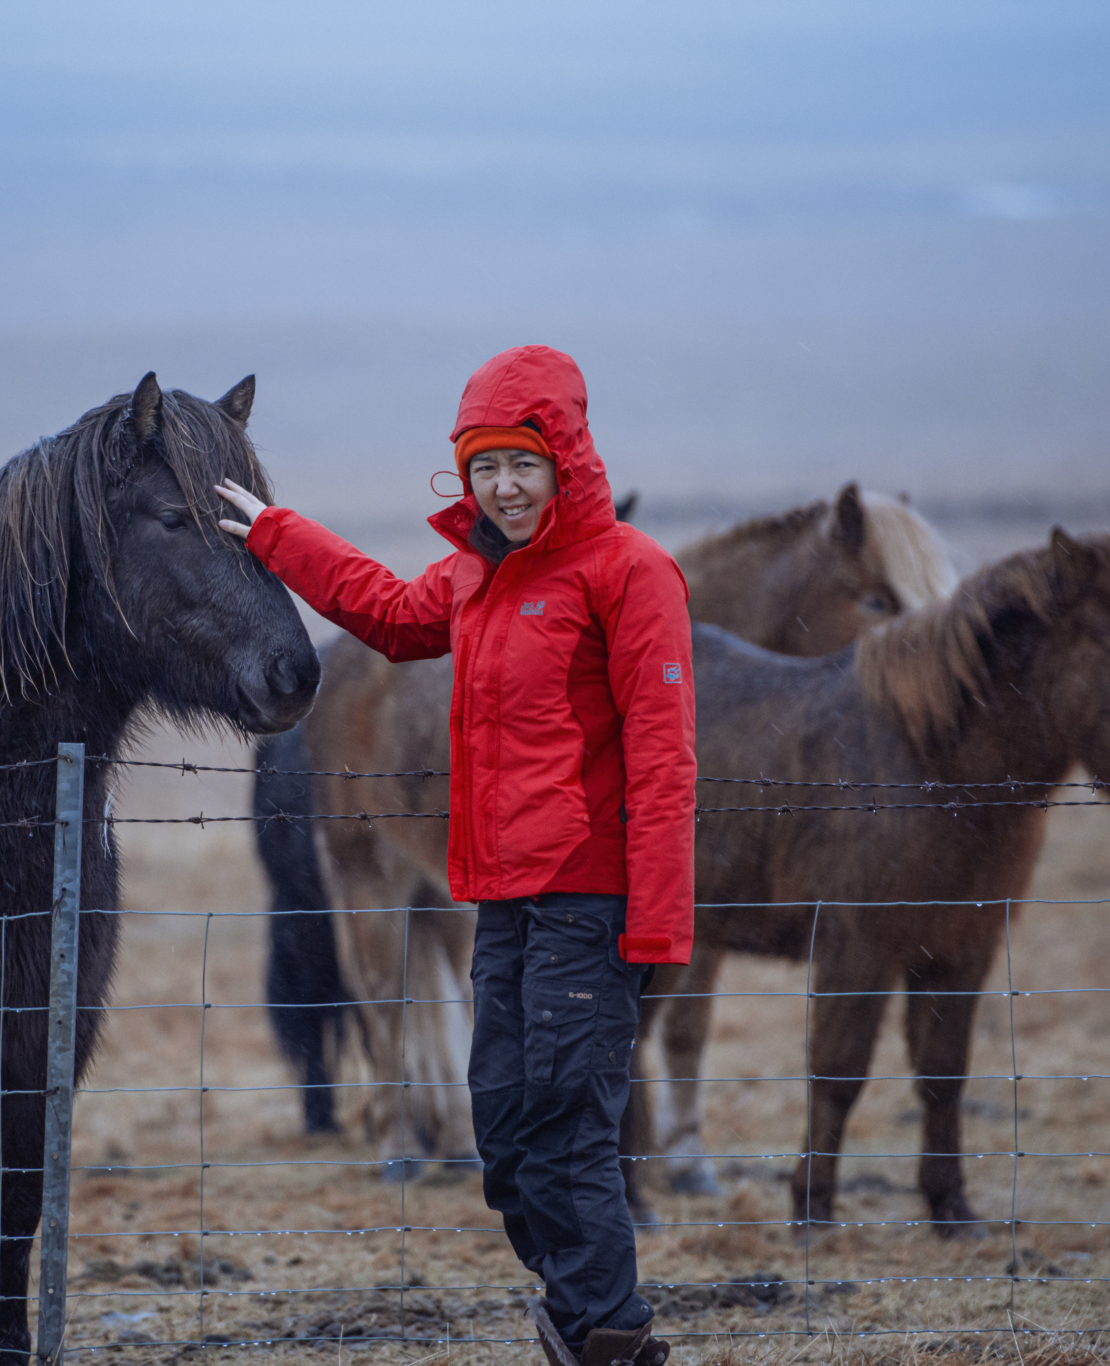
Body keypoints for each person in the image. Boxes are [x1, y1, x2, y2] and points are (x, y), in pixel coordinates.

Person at [216, 345, 696, 1366]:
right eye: (483, 467)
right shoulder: (477, 574)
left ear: (563, 460)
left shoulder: (629, 572)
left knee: (569, 1136)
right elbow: (387, 614)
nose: (503, 486)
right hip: (503, 903)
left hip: (589, 902)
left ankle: (609, 1340)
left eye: (521, 463)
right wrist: (272, 532)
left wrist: (653, 923)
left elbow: (663, 761)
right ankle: (580, 1316)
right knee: (510, 1141)